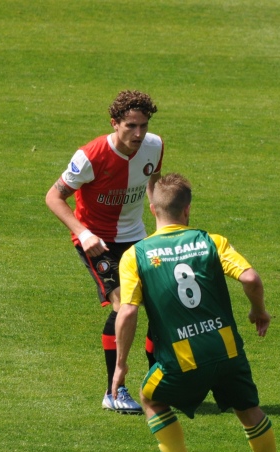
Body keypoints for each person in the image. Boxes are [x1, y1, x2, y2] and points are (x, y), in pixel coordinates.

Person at [111, 174, 280, 452]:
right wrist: (258, 311)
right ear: (187, 210)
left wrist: (120, 366)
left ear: (152, 209)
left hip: (182, 358)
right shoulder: (212, 241)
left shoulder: (136, 255)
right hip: (227, 349)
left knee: (150, 399)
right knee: (248, 410)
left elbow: (128, 313)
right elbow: (250, 277)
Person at [45, 90, 163, 414]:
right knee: (125, 304)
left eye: (143, 125)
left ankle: (159, 384)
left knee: (159, 302)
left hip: (136, 237)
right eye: (130, 126)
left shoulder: (155, 145)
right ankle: (115, 390)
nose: (138, 133)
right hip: (98, 240)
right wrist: (83, 234)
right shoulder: (91, 156)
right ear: (114, 123)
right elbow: (53, 198)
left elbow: (153, 181)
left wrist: (162, 219)